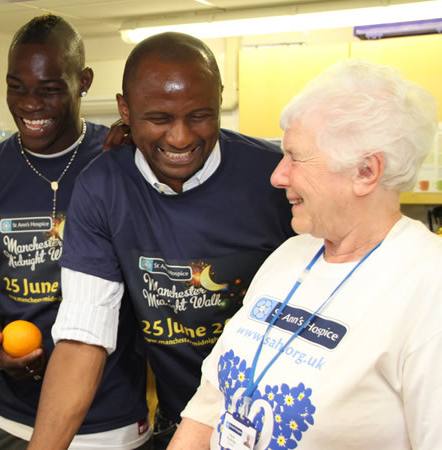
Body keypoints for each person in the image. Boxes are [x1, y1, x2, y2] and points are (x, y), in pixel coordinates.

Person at [29, 32, 294, 450]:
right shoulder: (102, 187)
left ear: (221, 98)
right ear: (125, 111)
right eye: (158, 119)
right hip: (178, 420)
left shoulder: (277, 179)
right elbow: (84, 336)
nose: (180, 138)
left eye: (199, 115)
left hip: (279, 424)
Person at [170, 59, 442, 449]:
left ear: (366, 171)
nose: (278, 176)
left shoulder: (428, 285)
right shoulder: (291, 254)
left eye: (296, 157)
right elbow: (210, 404)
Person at [0, 14, 151, 449]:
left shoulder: (123, 160)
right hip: (14, 422)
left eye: (49, 89)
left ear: (83, 81)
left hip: (111, 424)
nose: (30, 104)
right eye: (16, 87)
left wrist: (131, 176)